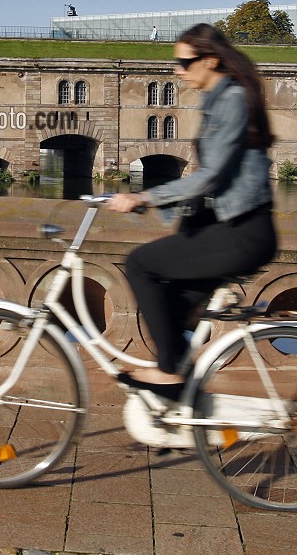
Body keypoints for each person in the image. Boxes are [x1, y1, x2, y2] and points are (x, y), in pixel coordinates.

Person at [108, 23, 277, 395]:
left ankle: (171, 374)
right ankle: (181, 399)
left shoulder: (230, 100)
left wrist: (144, 197)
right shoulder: (218, 100)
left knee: (140, 264)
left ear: (211, 59)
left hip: (243, 232)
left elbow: (211, 176)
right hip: (232, 227)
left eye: (184, 62)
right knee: (170, 304)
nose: (177, 70)